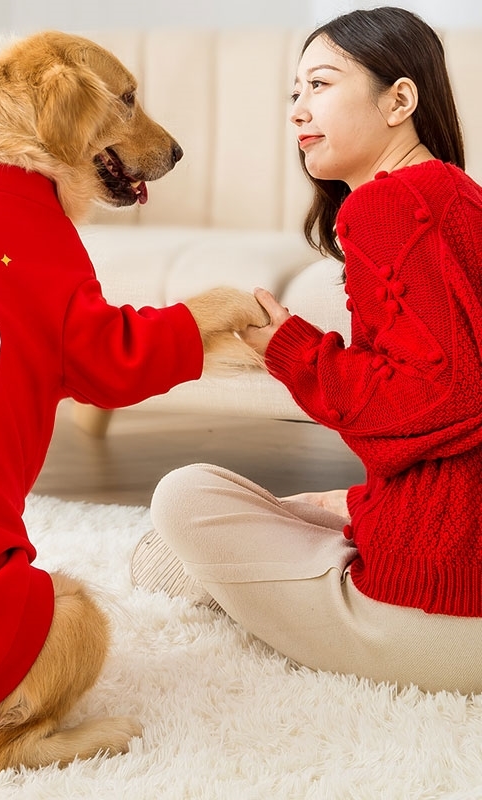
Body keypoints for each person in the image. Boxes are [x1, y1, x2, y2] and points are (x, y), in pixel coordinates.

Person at [131, 6, 482, 694]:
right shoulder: (457, 198)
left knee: (183, 500)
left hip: (441, 612)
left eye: (320, 84)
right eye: (293, 93)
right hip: (456, 551)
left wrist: (287, 347)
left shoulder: (387, 206)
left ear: (400, 100)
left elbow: (444, 394)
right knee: (305, 505)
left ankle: (211, 572)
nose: (297, 111)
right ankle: (334, 522)